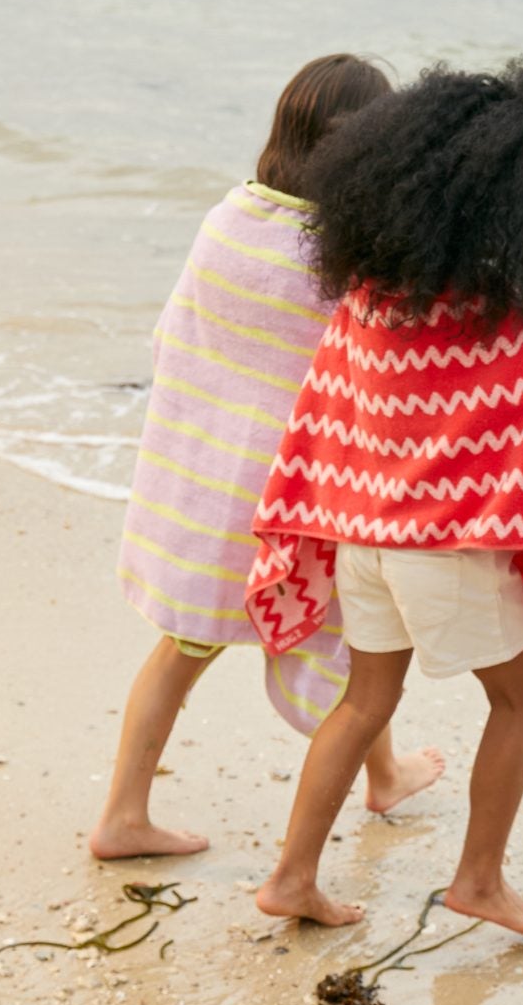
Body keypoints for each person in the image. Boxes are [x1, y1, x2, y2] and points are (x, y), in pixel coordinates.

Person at [247, 57, 523, 932]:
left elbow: (327, 410)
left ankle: (292, 877)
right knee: (520, 698)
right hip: (443, 550)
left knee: (366, 700)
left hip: (363, 536)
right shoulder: (485, 315)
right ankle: (478, 880)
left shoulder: (363, 295)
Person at [90, 54, 442, 861]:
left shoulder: (230, 218)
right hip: (284, 496)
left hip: (202, 485)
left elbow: (176, 339)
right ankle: (380, 775)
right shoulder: (346, 256)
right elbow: (374, 372)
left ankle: (123, 813)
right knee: (359, 641)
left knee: (183, 648)